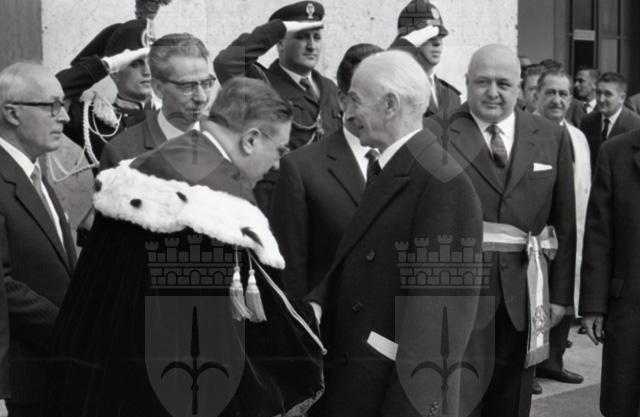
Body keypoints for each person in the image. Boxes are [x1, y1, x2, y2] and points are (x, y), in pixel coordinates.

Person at [46, 77, 325, 417]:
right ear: (251, 139)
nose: (278, 164)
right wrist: (316, 314)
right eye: (279, 150)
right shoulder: (220, 215)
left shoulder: (136, 172)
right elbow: (235, 340)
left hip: (99, 376)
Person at [307, 50, 484, 417]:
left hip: (388, 395)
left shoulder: (441, 181)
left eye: (355, 100)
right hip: (358, 381)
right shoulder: (395, 166)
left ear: (389, 105)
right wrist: (319, 301)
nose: (346, 113)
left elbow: (437, 329)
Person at [425, 44, 576, 417]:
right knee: (455, 403)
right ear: (466, 83)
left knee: (513, 403)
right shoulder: (433, 132)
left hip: (524, 296)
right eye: (483, 82)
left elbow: (563, 222)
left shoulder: (551, 135)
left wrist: (560, 295)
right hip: (456, 297)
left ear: (521, 86)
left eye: (504, 84)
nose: (493, 92)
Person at [268, 43, 382, 299]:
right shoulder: (302, 169)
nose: (381, 104)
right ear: (342, 100)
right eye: (368, 94)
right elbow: (291, 271)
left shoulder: (412, 160)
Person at [0, 62, 77, 417]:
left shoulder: (32, 171)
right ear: (12, 113)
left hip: (54, 375)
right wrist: (71, 327)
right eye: (52, 106)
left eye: (64, 104)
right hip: (19, 383)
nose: (64, 117)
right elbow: (3, 286)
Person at [213, 1, 342, 210]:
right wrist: (277, 29)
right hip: (279, 200)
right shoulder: (260, 83)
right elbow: (226, 62)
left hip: (326, 201)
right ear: (280, 43)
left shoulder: (329, 88)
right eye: (301, 37)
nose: (312, 46)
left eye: (317, 37)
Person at [534, 69, 590, 385]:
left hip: (572, 231)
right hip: (538, 234)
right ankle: (530, 368)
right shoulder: (526, 133)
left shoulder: (578, 137)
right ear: (536, 95)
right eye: (550, 93)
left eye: (563, 94)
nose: (557, 100)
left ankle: (553, 362)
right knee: (536, 301)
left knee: (565, 297)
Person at [580, 126, 640, 417]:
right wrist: (593, 305)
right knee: (623, 401)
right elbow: (598, 236)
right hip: (629, 306)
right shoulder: (615, 152)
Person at [100, 32, 213, 170]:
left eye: (206, 83)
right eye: (187, 86)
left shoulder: (229, 140)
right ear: (158, 88)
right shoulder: (121, 153)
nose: (201, 97)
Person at [55, 19, 152, 167]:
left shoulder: (168, 117)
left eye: (151, 62)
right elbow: (52, 90)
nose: (147, 72)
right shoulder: (94, 122)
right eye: (135, 64)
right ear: (115, 73)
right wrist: (106, 65)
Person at [391, 0, 461, 118]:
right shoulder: (395, 90)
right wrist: (403, 45)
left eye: (440, 36)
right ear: (410, 39)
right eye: (429, 36)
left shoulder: (452, 97)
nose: (437, 43)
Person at [580, 72, 640, 168]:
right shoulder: (587, 121)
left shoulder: (635, 125)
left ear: (622, 98)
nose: (601, 99)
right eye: (598, 93)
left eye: (608, 94)